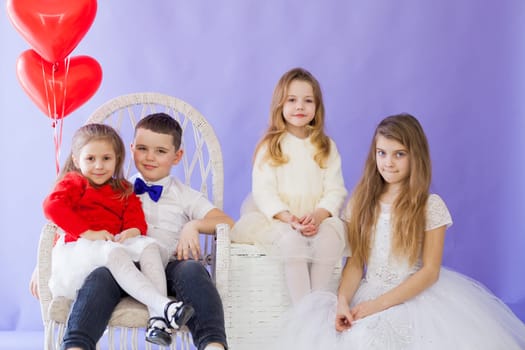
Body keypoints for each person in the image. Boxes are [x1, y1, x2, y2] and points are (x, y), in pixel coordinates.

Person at [272, 113, 525, 349]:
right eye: (382, 153)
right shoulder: (361, 202)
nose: (388, 163)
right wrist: (342, 303)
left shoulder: (429, 206)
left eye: (399, 154)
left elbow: (429, 272)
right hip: (367, 293)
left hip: (412, 296)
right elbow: (355, 264)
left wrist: (376, 306)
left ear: (416, 156)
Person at [38, 113, 233, 350]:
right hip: (124, 265)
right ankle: (76, 345)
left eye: (160, 151)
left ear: (177, 156)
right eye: (142, 148)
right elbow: (71, 222)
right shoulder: (115, 185)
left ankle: (212, 344)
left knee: (193, 269)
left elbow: (226, 222)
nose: (150, 157)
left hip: (171, 265)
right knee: (99, 275)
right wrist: (43, 266)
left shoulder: (184, 194)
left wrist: (193, 225)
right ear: (130, 150)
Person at [231, 67, 348, 304]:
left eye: (308, 101)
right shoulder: (271, 146)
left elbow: (335, 190)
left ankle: (317, 304)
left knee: (331, 239)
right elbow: (264, 191)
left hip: (317, 217)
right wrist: (289, 218)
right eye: (292, 100)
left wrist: (317, 215)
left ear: (317, 108)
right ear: (279, 106)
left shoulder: (326, 146)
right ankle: (304, 309)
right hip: (279, 219)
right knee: (292, 242)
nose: (300, 107)